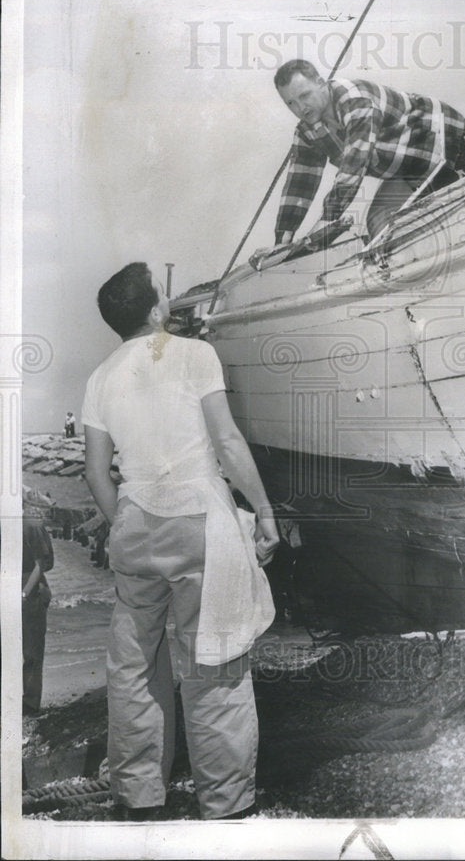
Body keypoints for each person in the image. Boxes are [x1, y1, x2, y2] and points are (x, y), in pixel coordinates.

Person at [82, 262, 280, 821]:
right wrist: (263, 512)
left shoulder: (100, 377)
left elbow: (97, 474)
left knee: (135, 666)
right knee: (213, 664)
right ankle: (225, 804)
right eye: (162, 292)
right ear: (153, 310)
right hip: (199, 522)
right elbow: (229, 443)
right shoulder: (196, 355)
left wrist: (121, 519)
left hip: (135, 524)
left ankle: (140, 795)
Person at [272, 59, 465, 245]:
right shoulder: (308, 129)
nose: (301, 107)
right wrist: (282, 240)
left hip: (451, 143)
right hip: (411, 167)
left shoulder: (354, 98)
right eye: (291, 103)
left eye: (305, 95)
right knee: (379, 223)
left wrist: (327, 220)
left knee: (416, 225)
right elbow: (299, 184)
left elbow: (354, 163)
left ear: (320, 83)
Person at [22, 512, 54, 715]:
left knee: (31, 651)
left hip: (30, 590)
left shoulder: (31, 525)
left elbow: (41, 565)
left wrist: (24, 594)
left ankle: (30, 705)